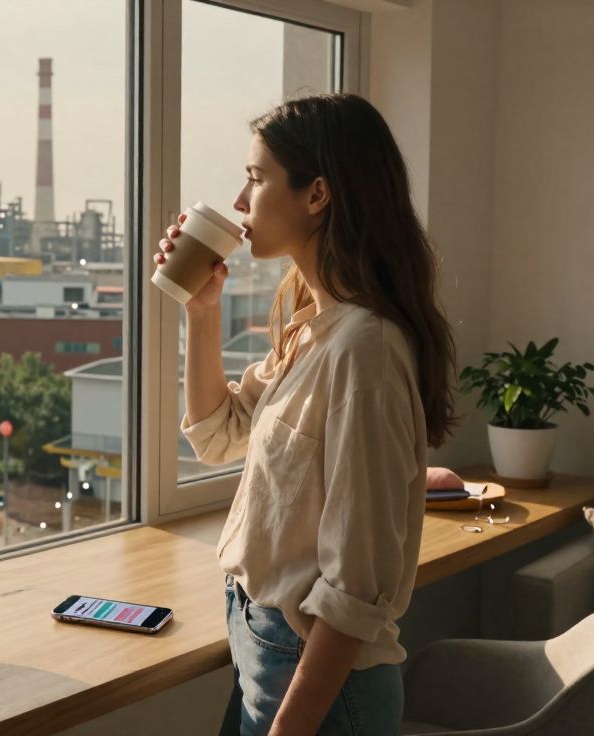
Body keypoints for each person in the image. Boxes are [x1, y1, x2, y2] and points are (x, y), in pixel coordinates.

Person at [159, 94, 457, 735]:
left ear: (317, 193)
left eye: (257, 178)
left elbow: (356, 590)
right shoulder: (312, 328)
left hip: (317, 682)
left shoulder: (364, 351)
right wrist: (201, 310)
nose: (240, 202)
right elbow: (217, 435)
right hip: (262, 646)